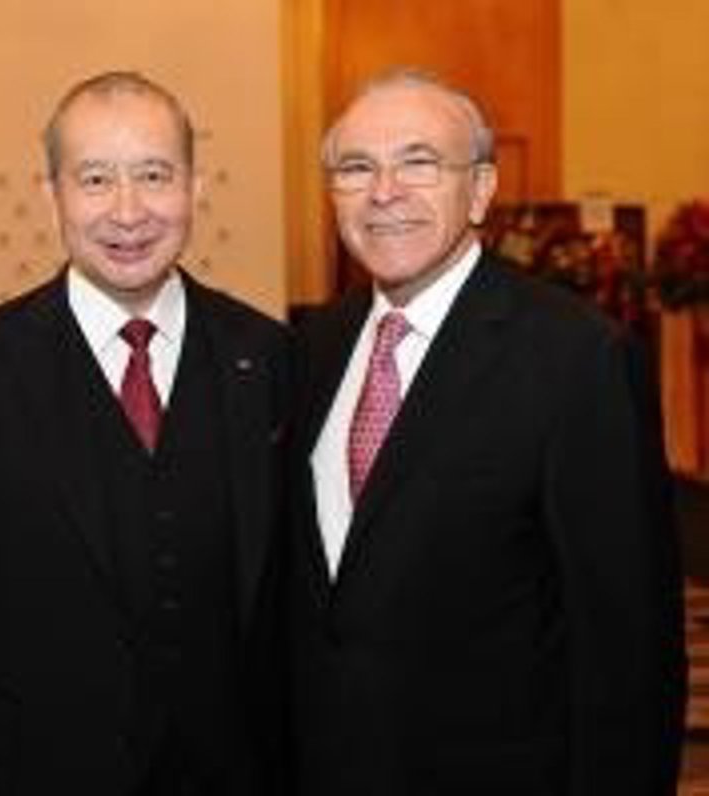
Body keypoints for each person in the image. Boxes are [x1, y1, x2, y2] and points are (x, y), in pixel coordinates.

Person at [286, 69, 687, 795]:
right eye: (356, 168)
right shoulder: (312, 345)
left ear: (480, 190)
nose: (384, 192)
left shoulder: (577, 359)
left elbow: (628, 648)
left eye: (418, 162)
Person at [0, 71, 288, 796]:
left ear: (194, 188)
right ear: (50, 195)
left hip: (235, 765)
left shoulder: (268, 356)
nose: (128, 211)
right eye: (94, 180)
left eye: (154, 175)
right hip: (49, 765)